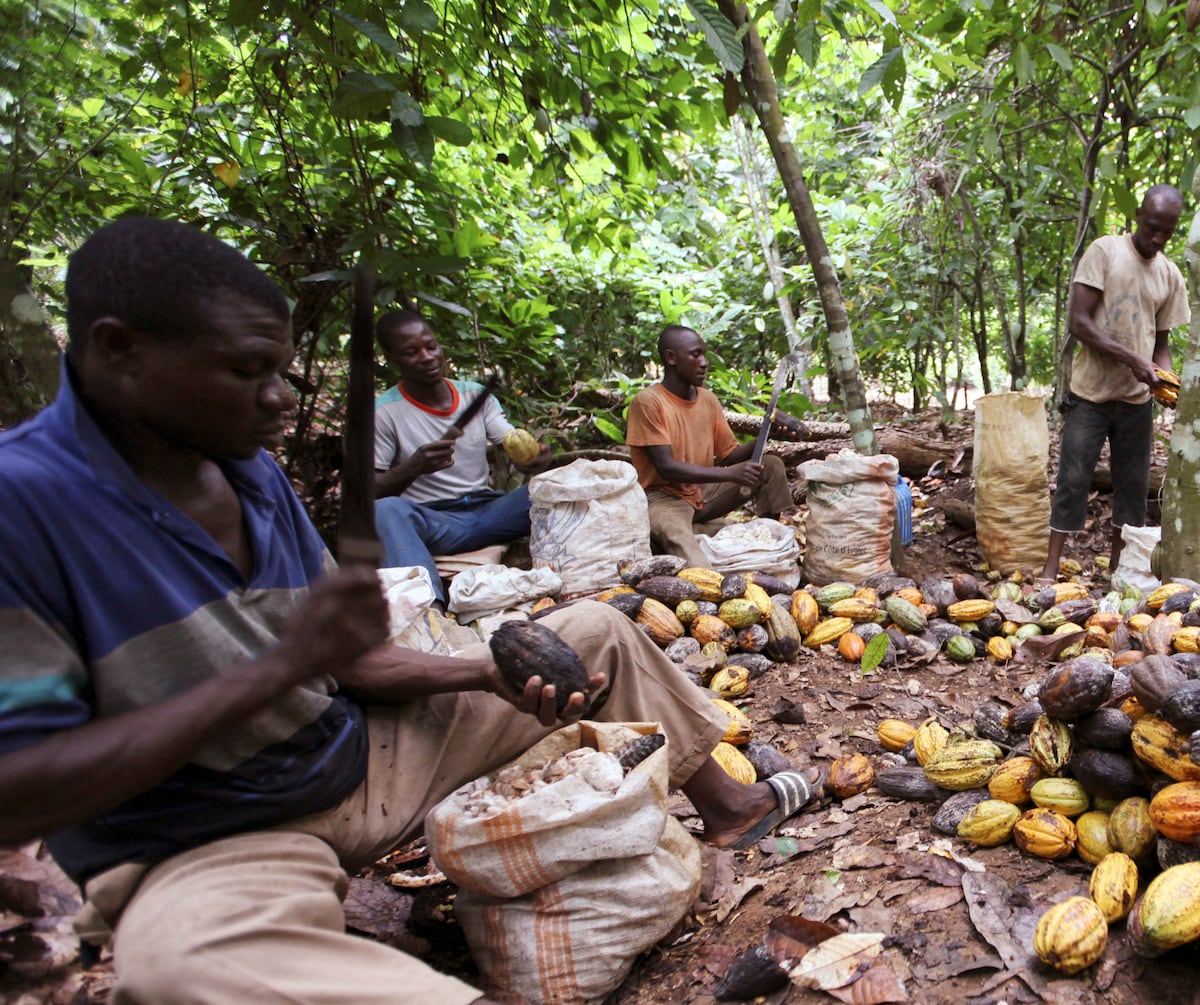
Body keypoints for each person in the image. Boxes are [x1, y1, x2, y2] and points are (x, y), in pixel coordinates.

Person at [0, 218, 820, 1005]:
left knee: (597, 627)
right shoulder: (23, 510)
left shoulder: (247, 475)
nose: (281, 399)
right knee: (183, 967)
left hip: (358, 751)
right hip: (220, 833)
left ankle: (732, 805)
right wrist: (280, 669)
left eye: (281, 370)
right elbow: (20, 793)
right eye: (249, 371)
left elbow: (352, 666)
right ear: (118, 349)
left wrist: (483, 673)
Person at [1039, 184, 1190, 582]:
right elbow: (1079, 322)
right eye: (1152, 227)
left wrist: (1165, 381)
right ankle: (1050, 569)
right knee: (1072, 478)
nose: (1157, 238)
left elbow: (1161, 344)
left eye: (1166, 232)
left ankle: (1118, 573)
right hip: (1090, 393)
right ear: (1139, 215)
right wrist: (1132, 359)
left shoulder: (1170, 275)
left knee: (1132, 488)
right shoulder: (1106, 252)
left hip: (1136, 402)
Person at [372, 309, 548, 603]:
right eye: (411, 352)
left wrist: (532, 461)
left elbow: (511, 443)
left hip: (489, 512)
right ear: (391, 359)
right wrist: (415, 467)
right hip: (435, 522)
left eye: (431, 346)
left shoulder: (474, 395)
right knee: (385, 511)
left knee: (558, 484)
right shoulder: (383, 412)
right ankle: (427, 611)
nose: (427, 357)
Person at [626, 324, 793, 563]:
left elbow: (730, 455)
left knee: (769, 464)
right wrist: (731, 473)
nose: (704, 362)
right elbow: (666, 467)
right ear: (671, 358)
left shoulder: (707, 399)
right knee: (693, 558)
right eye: (695, 355)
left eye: (703, 354)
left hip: (702, 492)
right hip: (663, 498)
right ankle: (685, 537)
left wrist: (767, 434)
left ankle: (768, 543)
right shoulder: (649, 402)